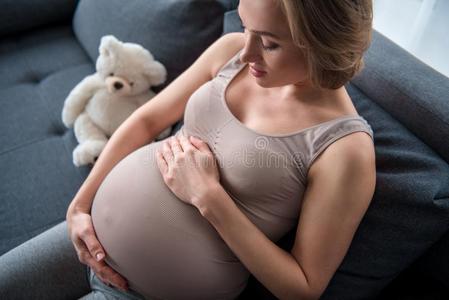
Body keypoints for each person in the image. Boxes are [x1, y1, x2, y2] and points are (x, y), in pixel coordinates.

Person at [0, 0, 376, 299]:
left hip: (146, 292)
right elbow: (148, 120)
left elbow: (303, 287)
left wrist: (208, 196)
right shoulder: (231, 52)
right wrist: (79, 207)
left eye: (270, 43)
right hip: (89, 233)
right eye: (246, 28)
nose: (246, 53)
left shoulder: (344, 149)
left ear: (324, 43)